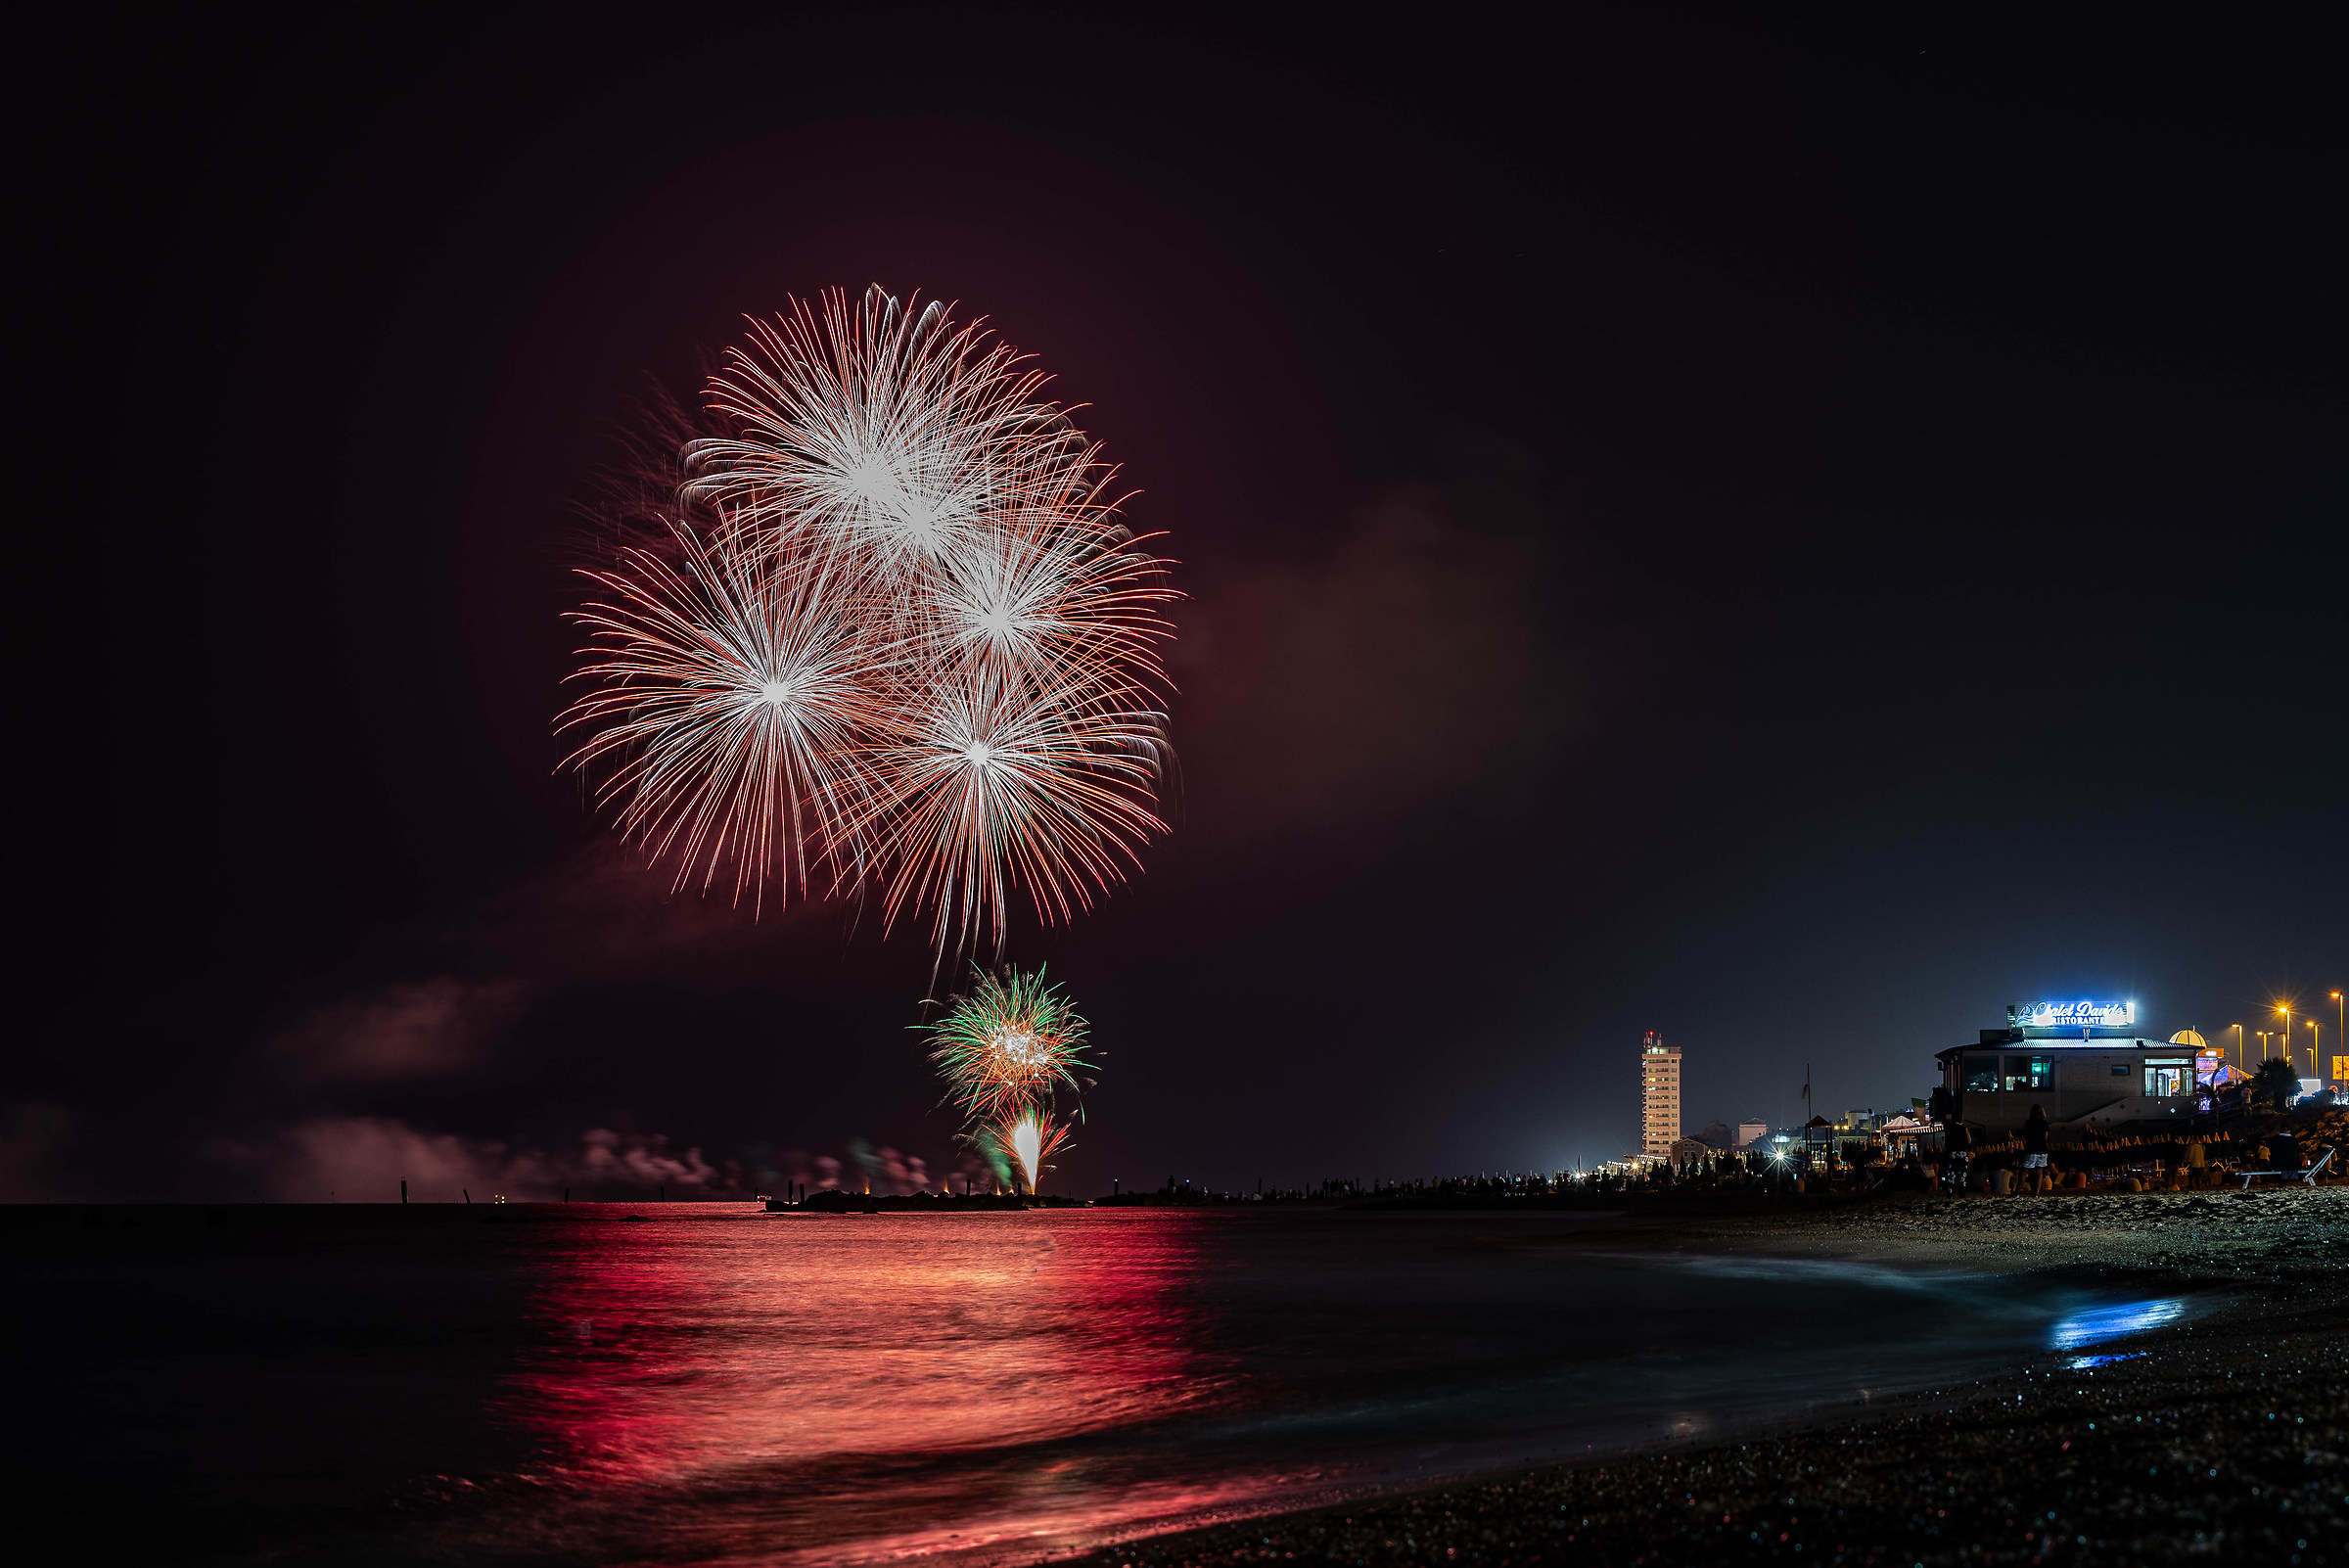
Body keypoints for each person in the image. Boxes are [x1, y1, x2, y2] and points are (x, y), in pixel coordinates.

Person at [2022, 1105, 2051, 1195]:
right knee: (2040, 1172)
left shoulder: (2028, 1123)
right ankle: (2037, 1193)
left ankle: (2017, 1193)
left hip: (2032, 1149)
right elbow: (2045, 1137)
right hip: (2042, 1149)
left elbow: (2026, 1136)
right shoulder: (2044, 1123)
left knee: (2024, 1171)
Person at [1942, 1119, 1972, 1195]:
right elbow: (1969, 1141)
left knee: (1951, 1174)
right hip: (1962, 1153)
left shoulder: (1949, 1129)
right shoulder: (1964, 1128)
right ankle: (1962, 1192)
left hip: (1952, 1153)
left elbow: (1946, 1141)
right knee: (1962, 1175)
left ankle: (1950, 1193)